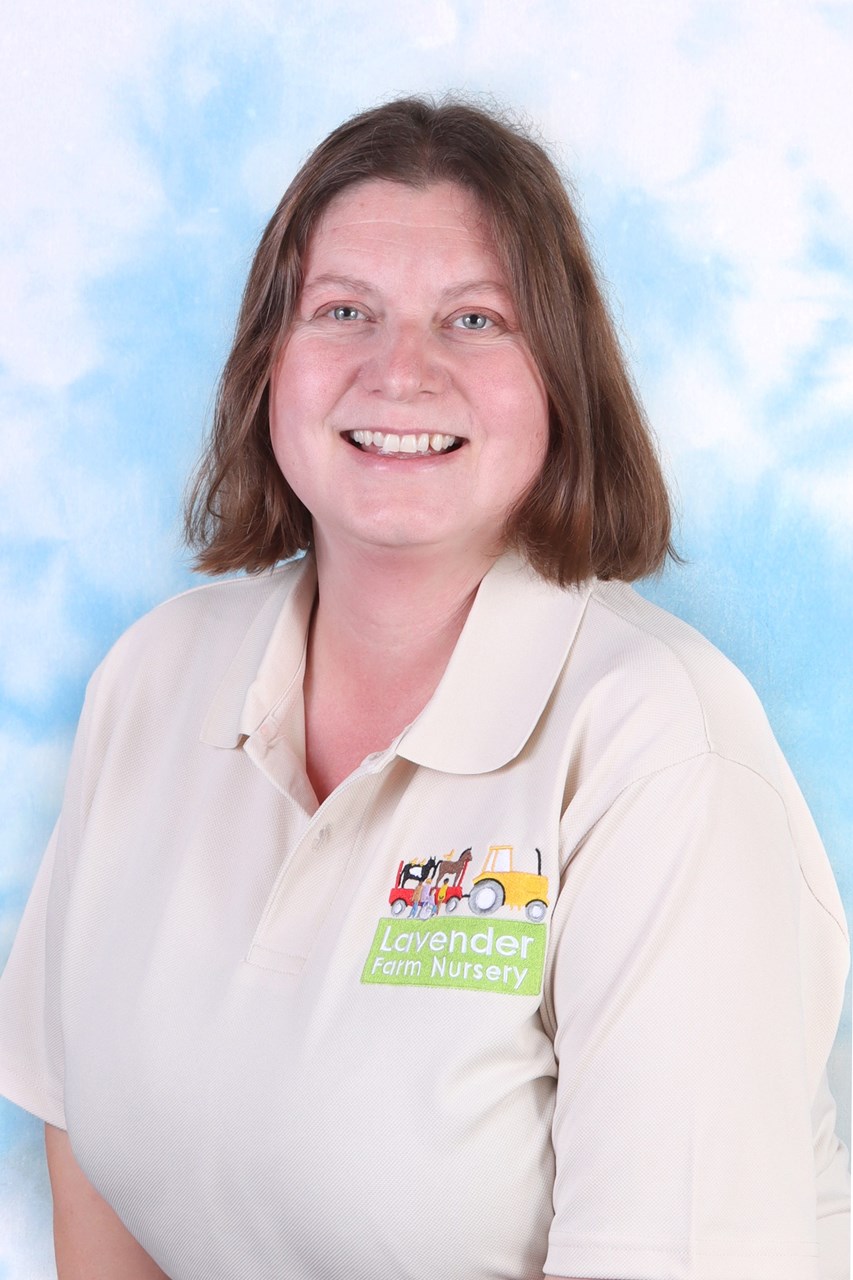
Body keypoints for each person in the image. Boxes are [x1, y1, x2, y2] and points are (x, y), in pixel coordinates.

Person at [0, 95, 848, 1280]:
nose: (400, 371)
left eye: (474, 319)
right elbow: (83, 1129)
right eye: (343, 310)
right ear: (267, 365)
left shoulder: (658, 745)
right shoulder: (155, 676)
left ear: (560, 382)